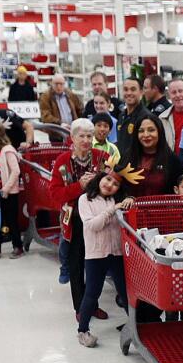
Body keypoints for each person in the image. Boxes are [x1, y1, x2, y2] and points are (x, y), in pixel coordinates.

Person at [50, 118, 110, 314]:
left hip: (98, 218)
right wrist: (79, 187)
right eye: (81, 136)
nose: (86, 140)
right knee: (76, 264)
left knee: (96, 264)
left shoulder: (103, 157)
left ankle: (92, 304)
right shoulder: (62, 161)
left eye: (89, 136)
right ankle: (80, 308)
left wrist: (99, 184)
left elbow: (114, 185)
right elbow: (55, 195)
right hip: (75, 220)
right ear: (72, 138)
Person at [75, 171, 134, 348]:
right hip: (95, 254)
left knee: (125, 292)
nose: (110, 185)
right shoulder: (85, 199)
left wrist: (130, 200)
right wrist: (112, 209)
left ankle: (135, 326)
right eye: (108, 179)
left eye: (115, 184)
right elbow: (93, 225)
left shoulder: (116, 201)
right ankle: (82, 330)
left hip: (116, 253)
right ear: (100, 178)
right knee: (92, 293)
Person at [124, 113, 182, 197]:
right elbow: (118, 186)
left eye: (151, 130)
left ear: (160, 132)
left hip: (163, 209)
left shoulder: (172, 160)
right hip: (131, 209)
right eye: (141, 131)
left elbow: (178, 192)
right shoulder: (128, 156)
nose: (146, 135)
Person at [0, 124, 24, 259]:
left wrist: (6, 188)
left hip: (9, 192)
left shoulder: (8, 150)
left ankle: (17, 247)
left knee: (11, 220)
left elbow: (16, 171)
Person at [115, 76, 149, 160]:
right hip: (121, 167)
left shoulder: (146, 117)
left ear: (141, 92)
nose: (129, 93)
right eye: (126, 89)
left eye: (133, 89)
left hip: (137, 169)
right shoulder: (121, 116)